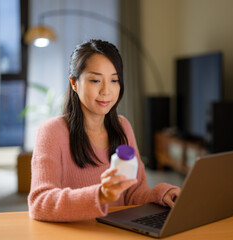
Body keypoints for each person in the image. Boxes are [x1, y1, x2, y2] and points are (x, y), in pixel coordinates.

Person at [28, 39, 180, 222]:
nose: (106, 90)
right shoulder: (51, 132)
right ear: (74, 83)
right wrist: (100, 195)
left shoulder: (123, 126)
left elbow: (133, 193)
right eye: (95, 80)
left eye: (114, 80)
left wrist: (162, 193)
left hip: (119, 232)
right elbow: (40, 203)